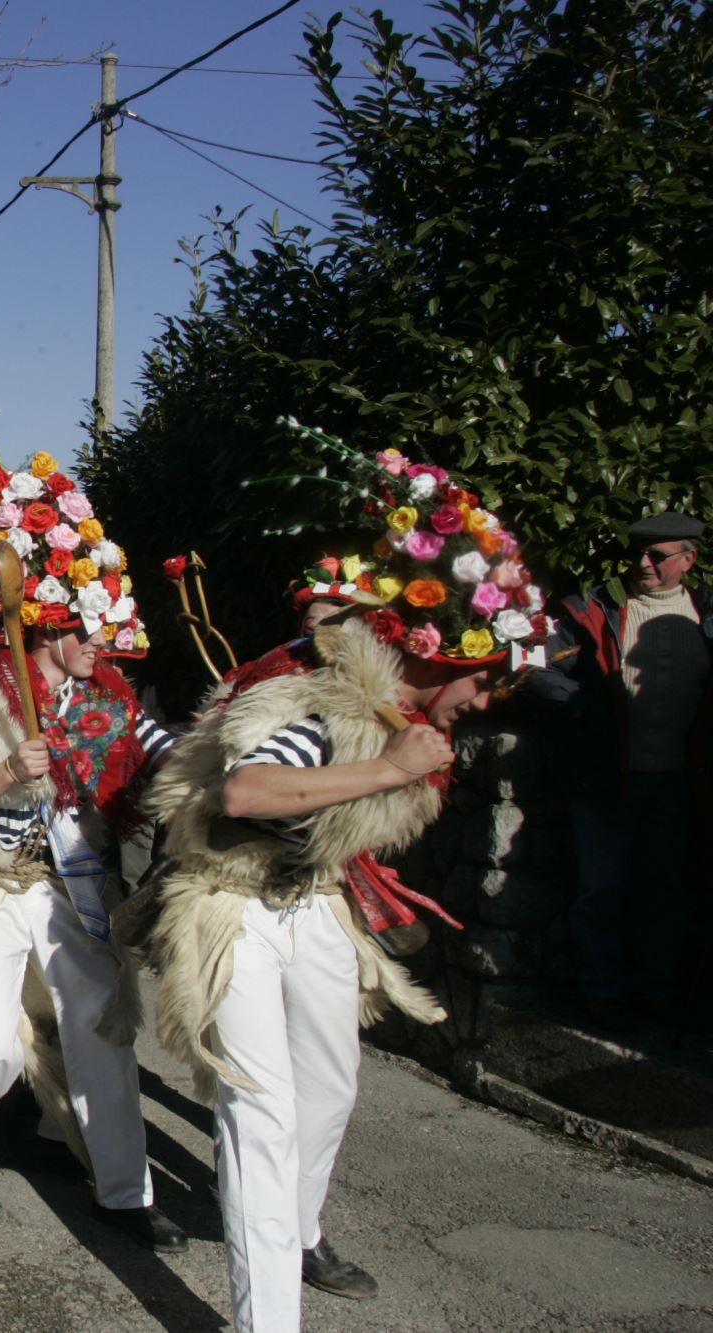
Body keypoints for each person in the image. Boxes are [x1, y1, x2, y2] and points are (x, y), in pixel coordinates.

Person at [145, 444, 547, 1331]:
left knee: (329, 1087)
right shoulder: (320, 698)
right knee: (261, 1109)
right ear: (444, 655)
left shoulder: (398, 714)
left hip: (317, 902)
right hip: (231, 909)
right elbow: (247, 792)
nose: (489, 702)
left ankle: (297, 1233)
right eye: (488, 681)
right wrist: (389, 769)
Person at [0, 451, 184, 1255]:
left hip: (68, 887)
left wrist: (216, 765)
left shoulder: (104, 697)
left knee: (101, 1022)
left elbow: (163, 752)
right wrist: (6, 771)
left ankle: (124, 1191)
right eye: (84, 629)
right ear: (46, 625)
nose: (100, 641)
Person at [527, 511, 711, 1023]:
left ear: (689, 559)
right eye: (638, 554)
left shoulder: (706, 612)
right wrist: (579, 705)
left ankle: (657, 990)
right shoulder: (593, 609)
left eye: (658, 555)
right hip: (606, 778)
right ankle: (603, 992)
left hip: (677, 781)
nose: (643, 563)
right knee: (601, 888)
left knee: (665, 889)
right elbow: (531, 662)